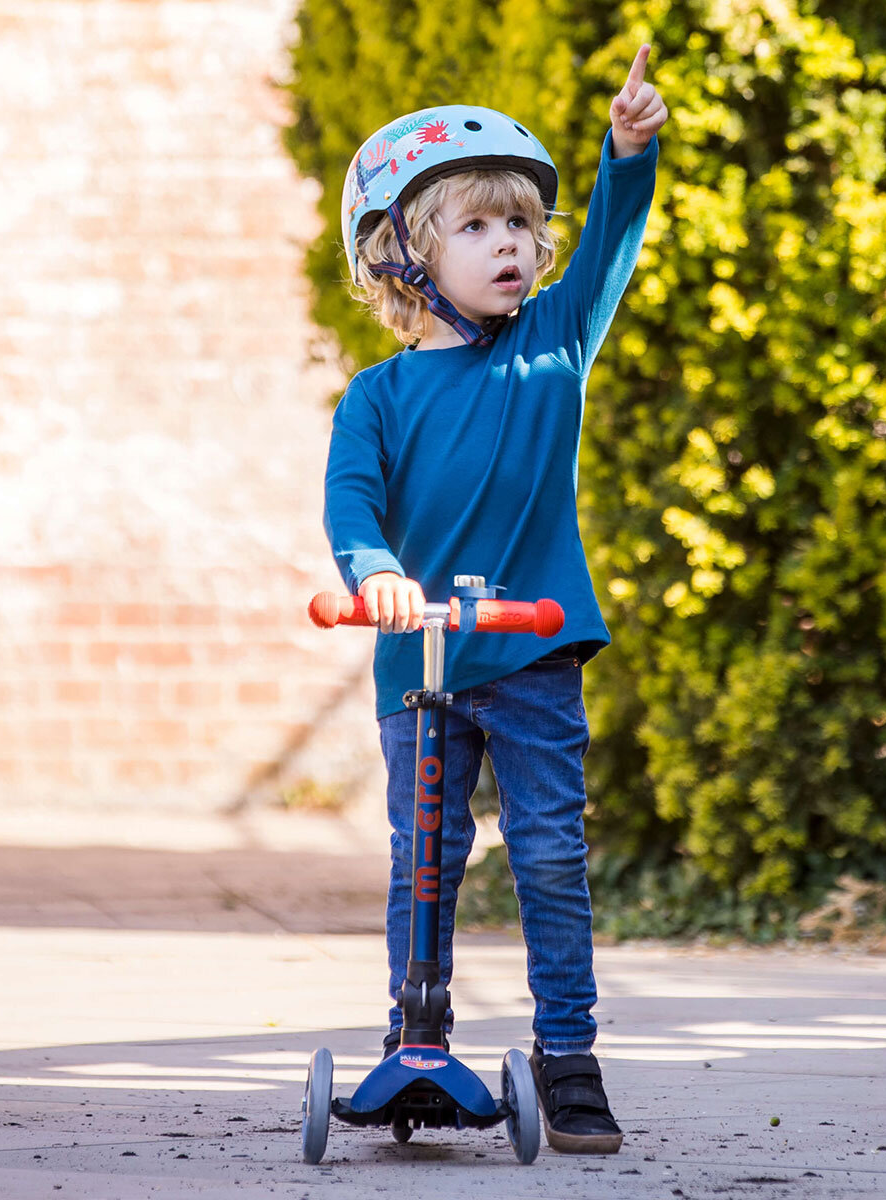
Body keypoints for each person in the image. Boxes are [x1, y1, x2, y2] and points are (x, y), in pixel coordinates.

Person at [323, 45, 667, 1154]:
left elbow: (611, 244)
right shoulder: (374, 398)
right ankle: (411, 1041)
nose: (510, 243)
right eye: (476, 227)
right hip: (418, 664)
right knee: (422, 855)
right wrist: (373, 571)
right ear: (403, 259)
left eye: (520, 225)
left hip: (530, 658)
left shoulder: (554, 348)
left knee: (549, 855)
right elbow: (353, 505)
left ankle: (568, 1055)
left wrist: (627, 154)